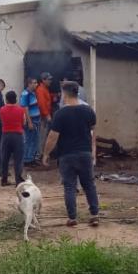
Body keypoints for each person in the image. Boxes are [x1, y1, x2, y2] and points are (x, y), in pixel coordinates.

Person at [42, 81, 99, 227]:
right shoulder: (88, 111)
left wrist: (46, 154)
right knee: (89, 185)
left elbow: (53, 136)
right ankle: (94, 215)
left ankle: (73, 218)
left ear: (64, 93)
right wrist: (93, 150)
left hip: (67, 155)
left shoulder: (61, 113)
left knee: (69, 187)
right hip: (85, 153)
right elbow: (93, 131)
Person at [0, 90, 31, 186]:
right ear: (16, 99)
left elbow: (2, 121)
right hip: (18, 135)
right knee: (18, 158)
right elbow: (24, 122)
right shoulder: (20, 110)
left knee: (5, 158)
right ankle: (18, 180)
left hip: (6, 135)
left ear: (6, 99)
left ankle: (4, 179)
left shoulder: (2, 109)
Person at [20, 77, 41, 165]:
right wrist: (29, 122)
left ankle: (32, 158)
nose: (36, 84)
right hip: (31, 120)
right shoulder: (25, 94)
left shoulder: (32, 93)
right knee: (30, 140)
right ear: (29, 84)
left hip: (36, 120)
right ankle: (27, 160)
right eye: (34, 83)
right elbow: (25, 109)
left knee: (35, 140)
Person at [35, 72, 54, 164]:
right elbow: (42, 104)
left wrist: (53, 96)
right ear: (43, 80)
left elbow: (46, 99)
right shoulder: (40, 90)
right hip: (43, 117)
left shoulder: (45, 89)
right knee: (42, 136)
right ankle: (39, 156)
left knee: (44, 135)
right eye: (49, 79)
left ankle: (42, 154)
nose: (50, 81)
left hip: (44, 116)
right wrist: (47, 115)